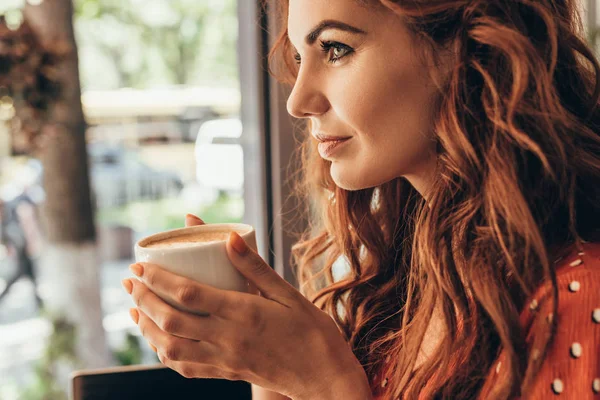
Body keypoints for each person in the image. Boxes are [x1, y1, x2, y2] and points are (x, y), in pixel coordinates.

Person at [122, 0, 600, 399]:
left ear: (463, 47)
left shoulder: (580, 295)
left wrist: (327, 384)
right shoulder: (408, 277)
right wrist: (268, 367)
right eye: (297, 56)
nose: (297, 100)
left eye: (335, 49)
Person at [0, 191, 44, 310]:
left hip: (22, 247)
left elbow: (26, 224)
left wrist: (31, 241)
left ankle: (39, 301)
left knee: (29, 274)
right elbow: (4, 236)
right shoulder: (5, 217)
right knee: (21, 274)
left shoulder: (12, 209)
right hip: (19, 250)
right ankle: (39, 302)